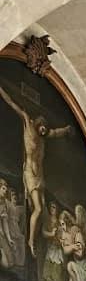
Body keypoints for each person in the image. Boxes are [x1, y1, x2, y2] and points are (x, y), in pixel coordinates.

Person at [0, 82, 72, 257]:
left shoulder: (44, 138)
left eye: (45, 129)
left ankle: (37, 236)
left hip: (40, 176)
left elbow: (56, 133)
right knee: (38, 209)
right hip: (30, 174)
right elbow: (12, 103)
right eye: (42, 126)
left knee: (39, 209)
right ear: (38, 123)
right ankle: (31, 242)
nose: (43, 129)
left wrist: (67, 130)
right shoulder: (28, 123)